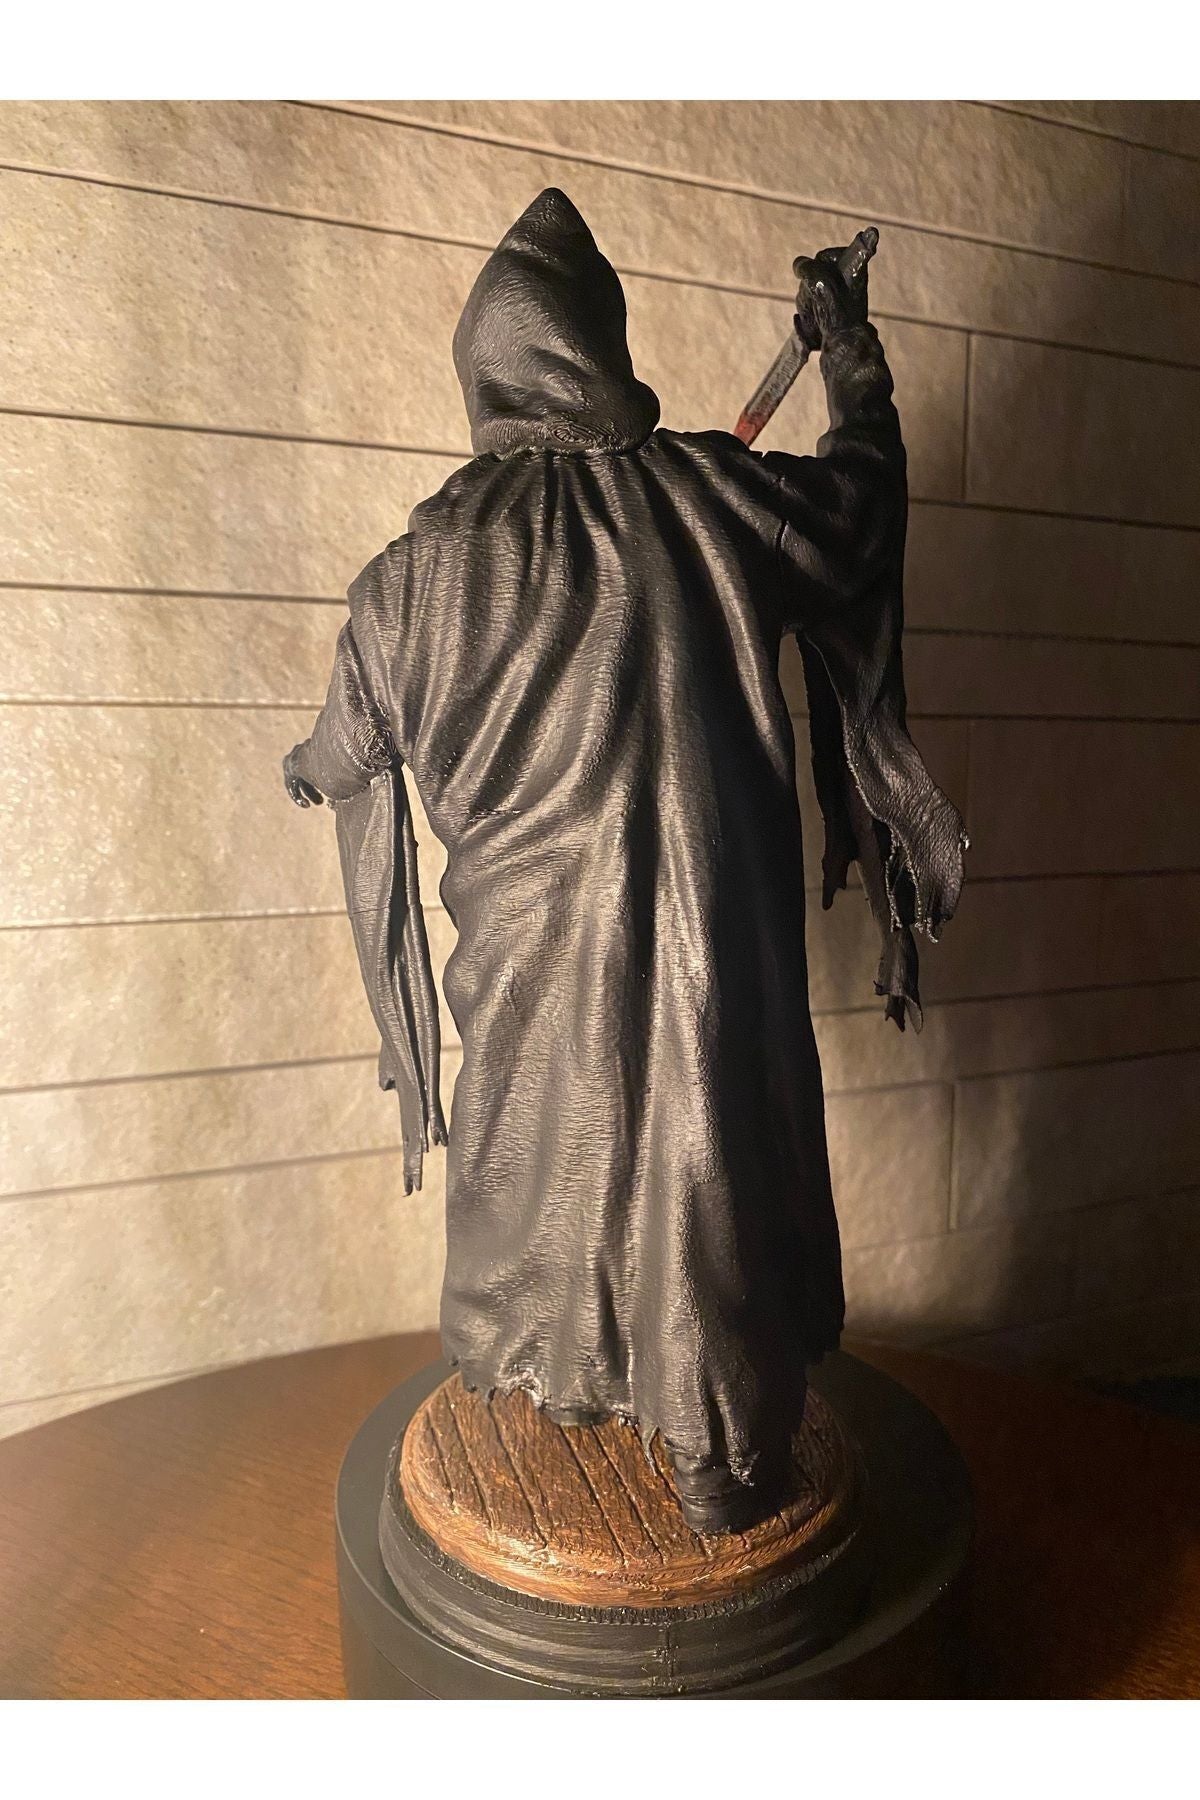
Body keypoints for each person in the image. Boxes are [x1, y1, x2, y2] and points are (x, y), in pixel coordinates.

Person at [284, 188, 965, 1534]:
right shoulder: (720, 494)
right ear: (604, 344)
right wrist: (851, 354)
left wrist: (310, 767)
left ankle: (594, 1404)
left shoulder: (406, 581)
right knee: (709, 1171)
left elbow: (343, 751)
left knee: (554, 1176)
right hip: (720, 977)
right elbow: (861, 512)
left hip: (528, 992)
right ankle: (715, 1448)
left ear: (483, 371)